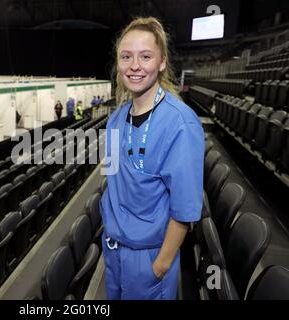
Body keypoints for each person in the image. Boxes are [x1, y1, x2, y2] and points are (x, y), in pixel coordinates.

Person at [100, 17, 204, 300]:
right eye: (126, 56)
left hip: (149, 260)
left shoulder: (181, 123)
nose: (134, 66)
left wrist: (159, 266)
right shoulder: (115, 119)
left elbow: (184, 209)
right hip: (113, 253)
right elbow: (111, 182)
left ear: (161, 62)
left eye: (145, 56)